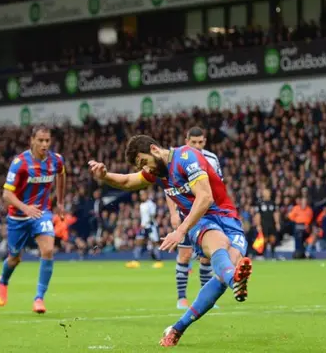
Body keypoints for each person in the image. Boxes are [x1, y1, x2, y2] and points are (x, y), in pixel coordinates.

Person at [88, 135, 251, 347]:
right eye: (141, 166)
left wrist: (179, 231)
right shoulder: (158, 173)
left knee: (226, 269)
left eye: (144, 162)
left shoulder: (186, 157)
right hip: (199, 220)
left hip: (227, 218)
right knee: (219, 245)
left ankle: (177, 328)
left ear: (154, 150)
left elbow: (205, 197)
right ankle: (235, 281)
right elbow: (129, 181)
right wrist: (105, 175)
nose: (146, 169)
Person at [0, 125, 66, 314]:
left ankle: (39, 298)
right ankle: (3, 280)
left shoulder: (56, 160)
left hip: (41, 213)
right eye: (41, 140)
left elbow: (61, 175)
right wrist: (26, 208)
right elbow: (6, 195)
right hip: (18, 216)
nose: (44, 144)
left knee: (49, 249)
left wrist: (60, 202)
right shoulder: (20, 163)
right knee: (15, 258)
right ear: (32, 141)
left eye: (47, 140)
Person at [172, 126, 223, 309]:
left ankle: (205, 299)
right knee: (184, 255)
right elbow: (170, 188)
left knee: (206, 258)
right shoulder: (177, 159)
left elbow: (218, 188)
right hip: (186, 213)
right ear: (187, 142)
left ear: (205, 142)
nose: (197, 146)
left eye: (200, 142)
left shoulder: (212, 159)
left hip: (207, 214)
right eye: (193, 142)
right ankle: (181, 298)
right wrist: (173, 213)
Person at [125, 190, 163, 269]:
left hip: (151, 226)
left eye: (143, 194)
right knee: (138, 242)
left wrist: (145, 224)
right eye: (140, 195)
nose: (141, 196)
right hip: (143, 226)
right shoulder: (142, 205)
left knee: (155, 243)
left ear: (147, 194)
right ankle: (136, 261)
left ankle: (159, 261)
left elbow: (152, 216)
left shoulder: (151, 204)